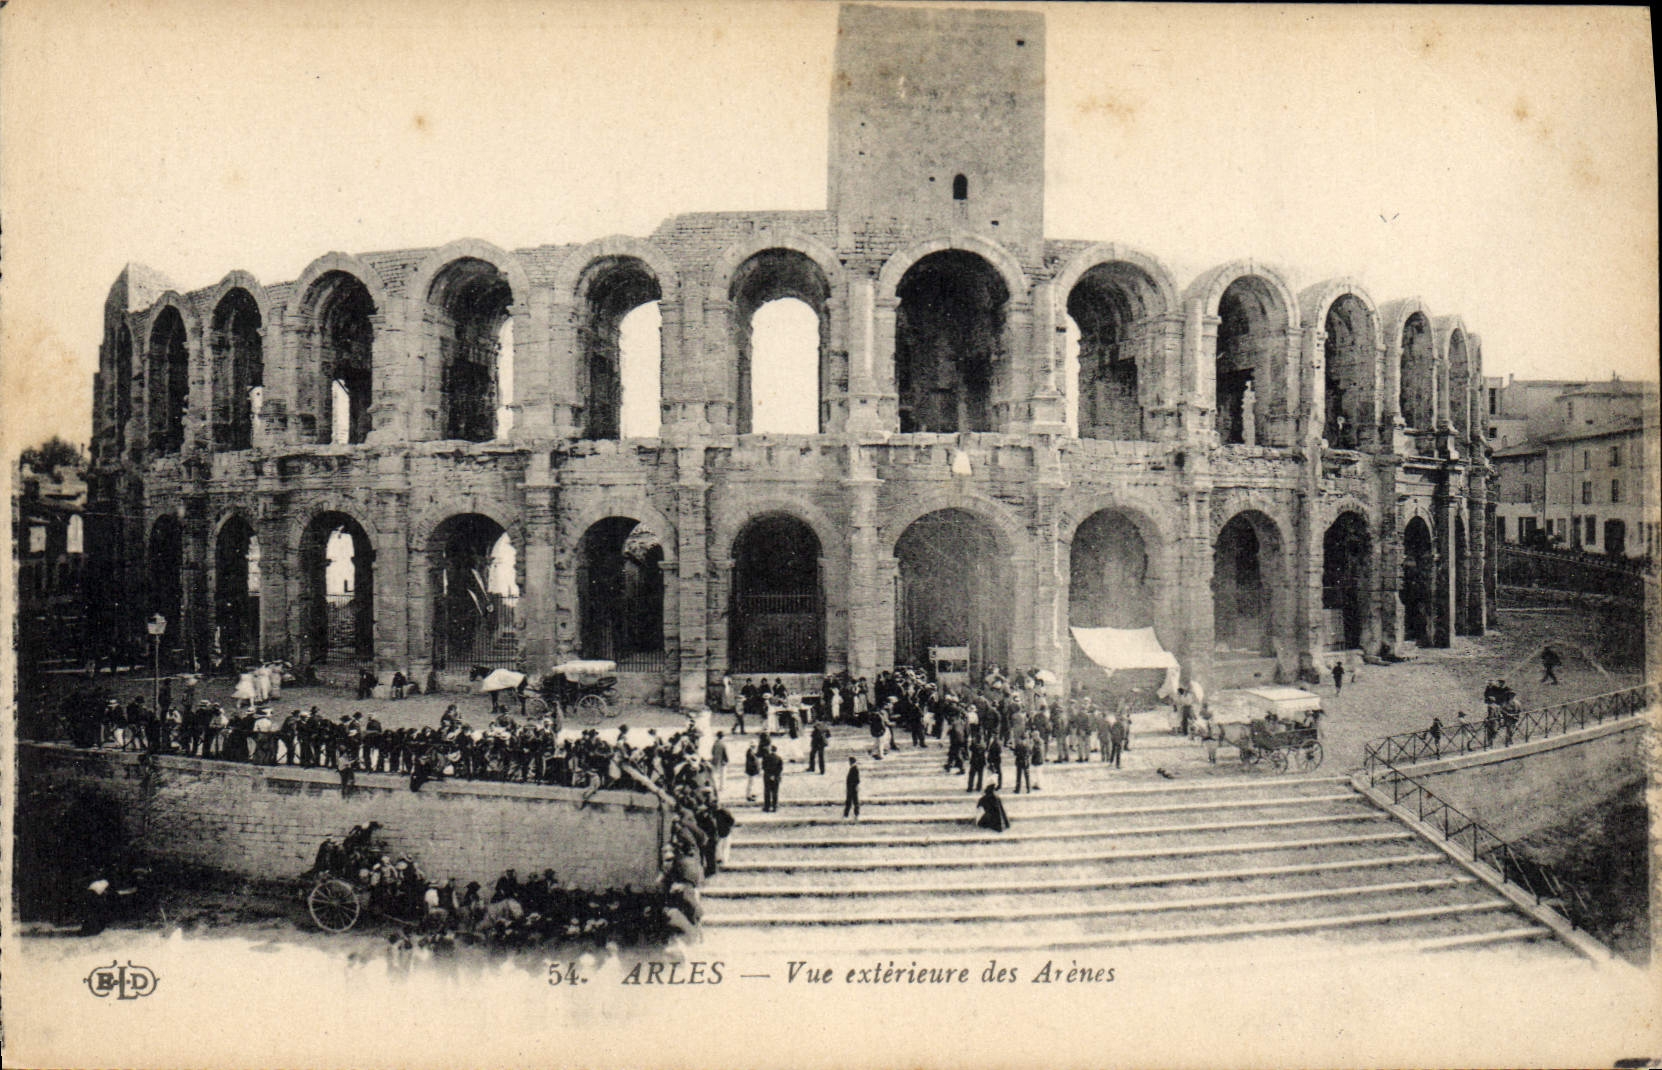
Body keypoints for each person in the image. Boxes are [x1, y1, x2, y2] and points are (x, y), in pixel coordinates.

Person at [761, 746, 784, 813]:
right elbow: (780, 768)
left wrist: (770, 775)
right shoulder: (779, 758)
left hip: (767, 777)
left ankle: (767, 807)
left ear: (771, 750)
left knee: (767, 792)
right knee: (775, 792)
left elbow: (763, 767)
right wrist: (775, 775)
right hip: (776, 777)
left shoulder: (766, 757)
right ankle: (775, 807)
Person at [711, 731, 730, 795]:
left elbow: (712, 752)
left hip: (715, 761)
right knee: (723, 775)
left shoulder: (715, 743)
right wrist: (727, 760)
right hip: (722, 761)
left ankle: (715, 787)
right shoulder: (723, 744)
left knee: (715, 774)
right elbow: (725, 754)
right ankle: (722, 787)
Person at [843, 756, 861, 821]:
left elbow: (857, 780)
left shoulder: (855, 769)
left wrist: (855, 786)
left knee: (852, 802)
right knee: (851, 802)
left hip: (852, 788)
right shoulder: (853, 768)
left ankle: (850, 815)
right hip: (851, 788)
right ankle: (848, 814)